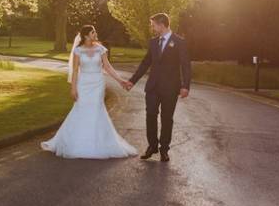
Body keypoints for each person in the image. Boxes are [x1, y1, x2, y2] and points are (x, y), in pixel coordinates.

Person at [40, 25, 138, 159]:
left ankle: (98, 143)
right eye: (93, 32)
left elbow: (108, 67)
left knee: (96, 110)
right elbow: (75, 71)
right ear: (86, 35)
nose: (95, 34)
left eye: (95, 32)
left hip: (97, 83)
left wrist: (120, 80)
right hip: (84, 84)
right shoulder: (78, 51)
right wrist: (73, 88)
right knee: (81, 109)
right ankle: (77, 142)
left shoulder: (101, 49)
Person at [125, 13, 192, 162]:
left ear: (162, 25)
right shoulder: (153, 42)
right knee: (150, 116)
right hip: (153, 87)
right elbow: (145, 63)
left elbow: (185, 65)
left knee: (167, 119)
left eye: (153, 25)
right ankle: (152, 146)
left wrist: (185, 86)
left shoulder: (179, 42)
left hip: (171, 88)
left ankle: (164, 149)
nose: (152, 28)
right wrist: (132, 81)